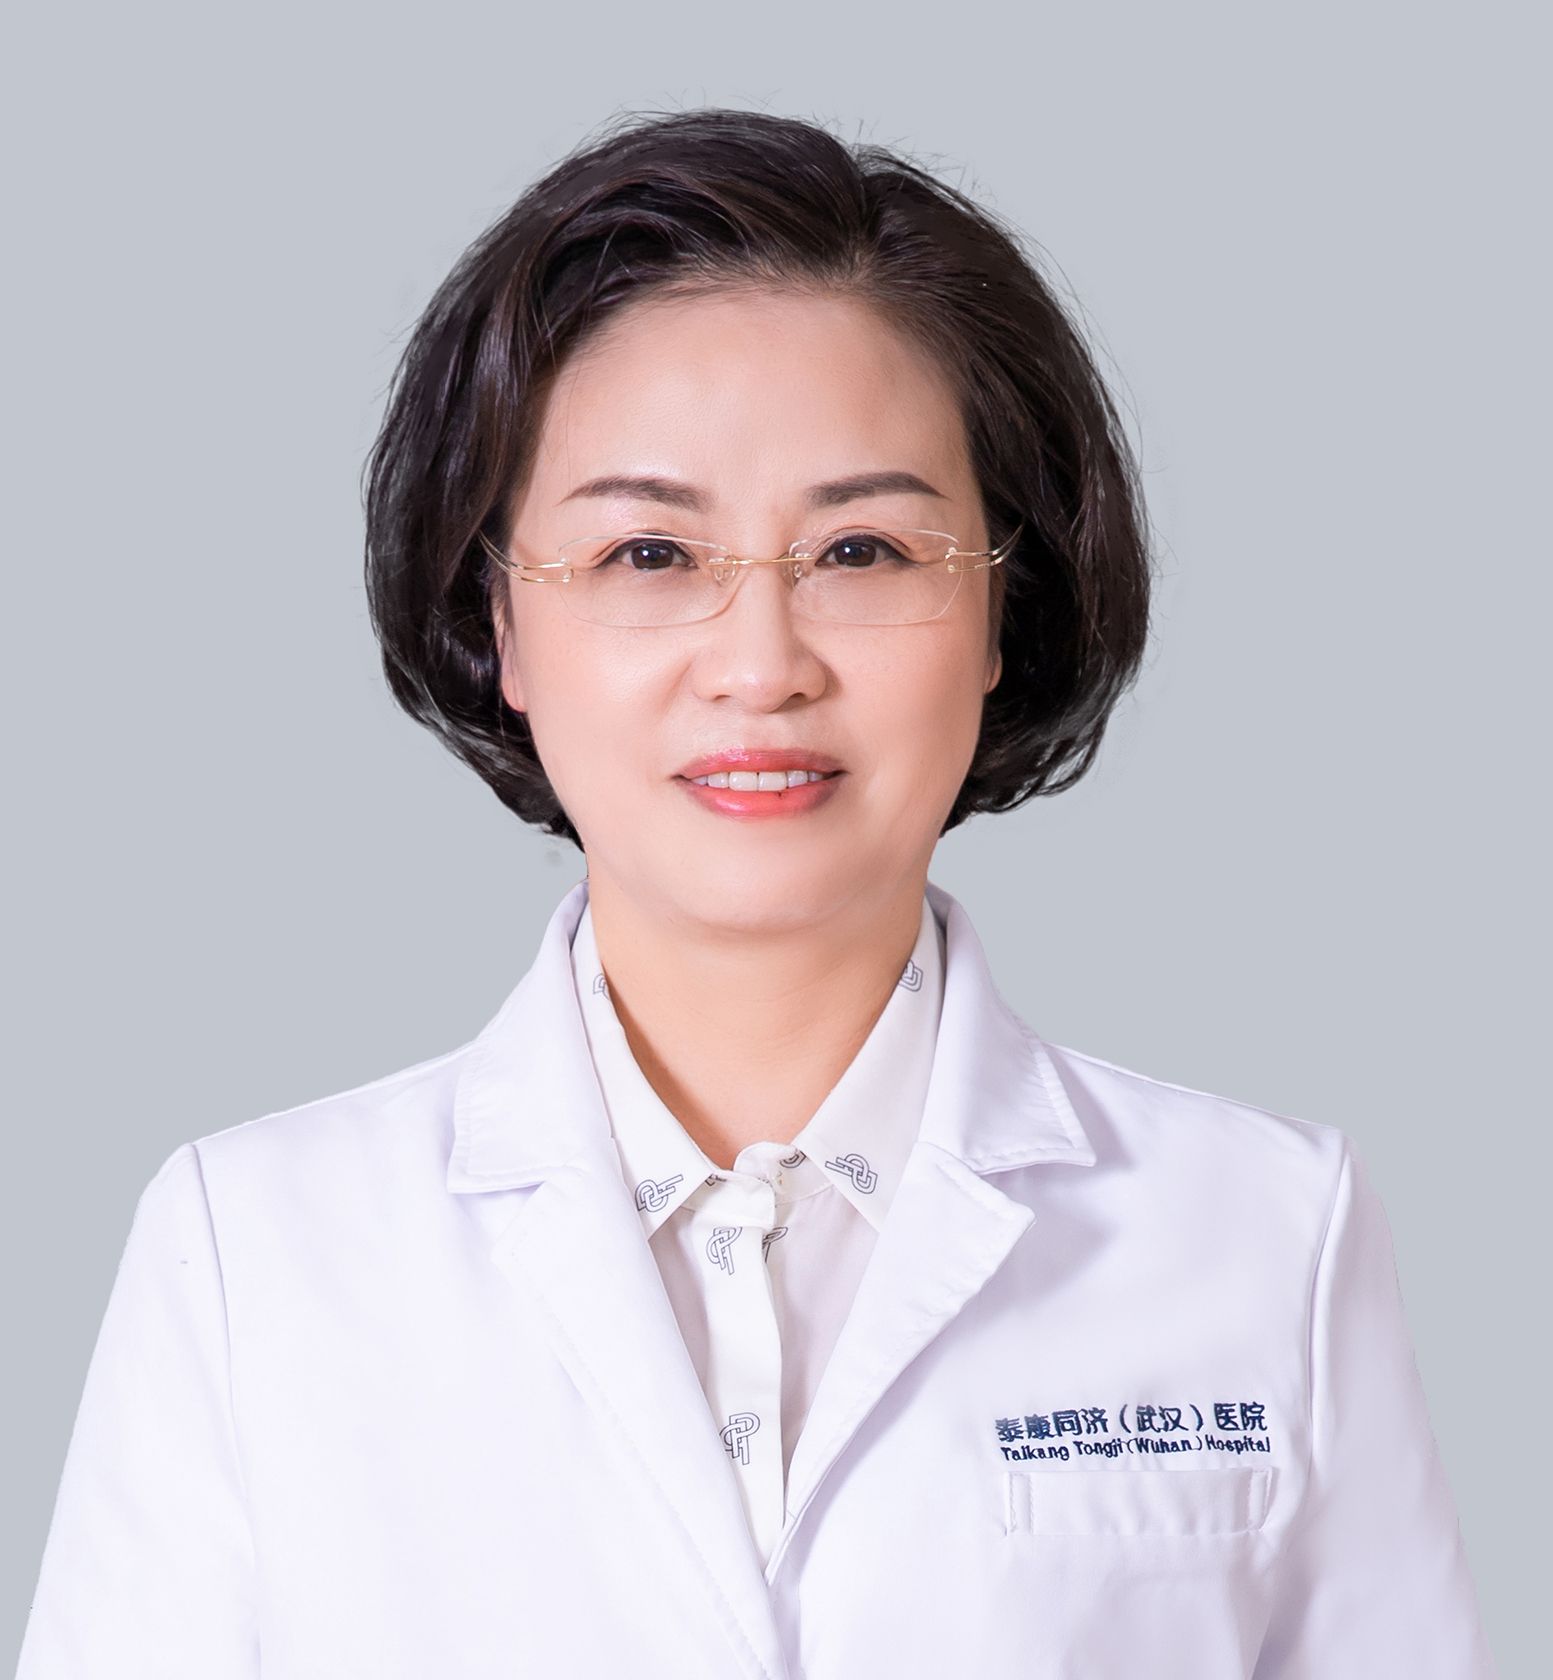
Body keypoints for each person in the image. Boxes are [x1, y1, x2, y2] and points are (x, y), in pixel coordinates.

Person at [16, 107, 1497, 1679]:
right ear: (501, 624)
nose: (759, 665)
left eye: (861, 551)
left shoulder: (1262, 1234)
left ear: (1001, 617)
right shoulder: (252, 1255)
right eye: (648, 556)